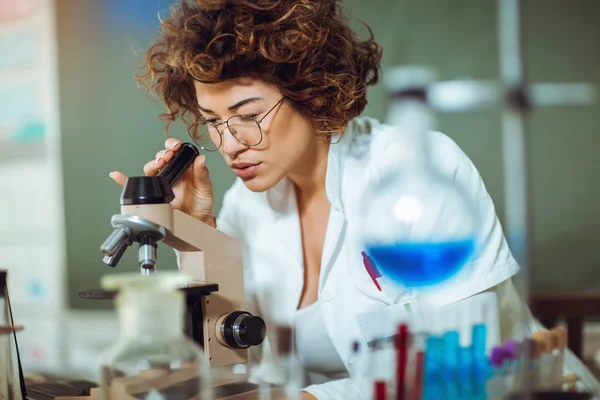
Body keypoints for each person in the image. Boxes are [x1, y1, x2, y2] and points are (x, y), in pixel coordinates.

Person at [110, 0, 527, 398]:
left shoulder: (417, 170)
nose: (230, 144)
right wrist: (200, 238)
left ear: (310, 89)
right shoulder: (245, 207)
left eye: (249, 116)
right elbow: (229, 364)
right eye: (214, 122)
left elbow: (462, 364)